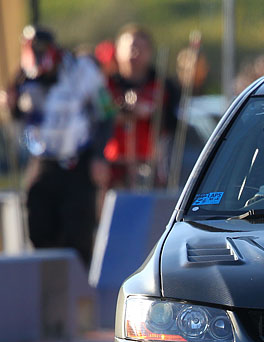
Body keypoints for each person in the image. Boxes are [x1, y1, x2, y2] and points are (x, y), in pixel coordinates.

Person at [4, 26, 114, 266]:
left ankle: (80, 282)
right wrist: (10, 106)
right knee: (39, 228)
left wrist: (99, 154)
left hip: (78, 162)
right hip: (43, 161)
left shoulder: (82, 71)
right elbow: (19, 117)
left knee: (78, 233)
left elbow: (106, 113)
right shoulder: (23, 77)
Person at [103, 24, 179, 190]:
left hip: (151, 164)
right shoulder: (106, 84)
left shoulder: (162, 85)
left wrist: (148, 111)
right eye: (130, 47)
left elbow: (170, 124)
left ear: (149, 52)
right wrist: (125, 111)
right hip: (114, 164)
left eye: (140, 48)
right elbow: (101, 117)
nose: (134, 53)